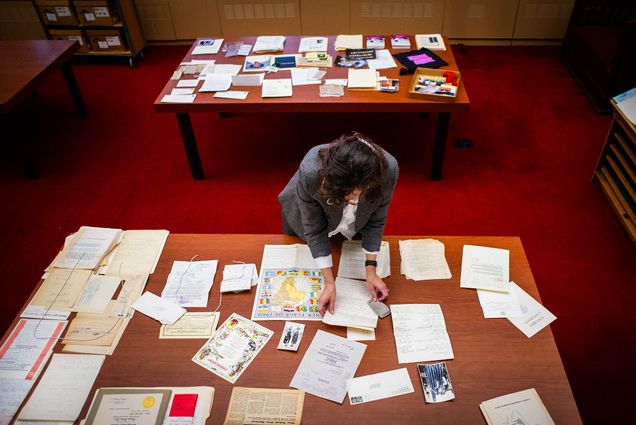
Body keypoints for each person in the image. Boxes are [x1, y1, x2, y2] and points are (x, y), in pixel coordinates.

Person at [278, 132, 399, 316]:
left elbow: (376, 220)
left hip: (355, 224)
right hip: (308, 215)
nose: (350, 201)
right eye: (346, 196)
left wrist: (371, 271)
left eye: (354, 195)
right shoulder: (311, 173)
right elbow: (313, 228)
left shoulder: (388, 171)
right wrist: (329, 282)